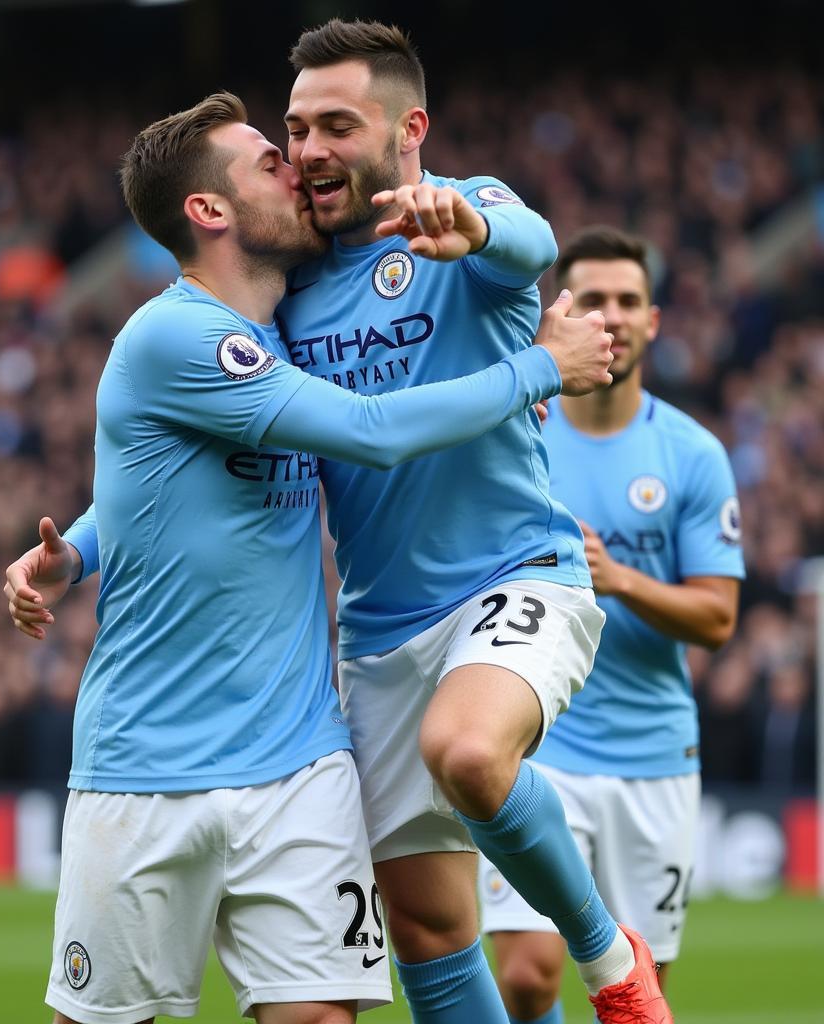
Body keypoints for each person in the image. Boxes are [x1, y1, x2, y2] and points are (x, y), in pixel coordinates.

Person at [6, 92, 614, 1024]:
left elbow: (163, 476)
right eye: (267, 160)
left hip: (300, 763)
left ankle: (610, 957)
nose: (295, 166)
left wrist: (79, 549)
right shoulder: (176, 336)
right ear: (209, 212)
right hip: (146, 765)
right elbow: (366, 430)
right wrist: (540, 368)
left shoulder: (288, 327)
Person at [276, 19, 673, 1024]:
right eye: (296, 129)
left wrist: (474, 228)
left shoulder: (467, 213)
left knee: (466, 752)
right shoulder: (286, 290)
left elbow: (531, 238)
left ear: (409, 129)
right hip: (376, 629)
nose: (311, 149)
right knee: (427, 931)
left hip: (515, 575)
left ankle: (608, 953)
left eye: (336, 124)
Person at [478, 226, 744, 1024]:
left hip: (654, 756)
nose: (614, 315)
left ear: (653, 321)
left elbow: (718, 617)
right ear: (563, 312)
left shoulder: (691, 454)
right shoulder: (519, 438)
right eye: (594, 298)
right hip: (540, 743)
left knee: (637, 987)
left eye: (630, 301)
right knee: (526, 974)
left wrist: (620, 578)